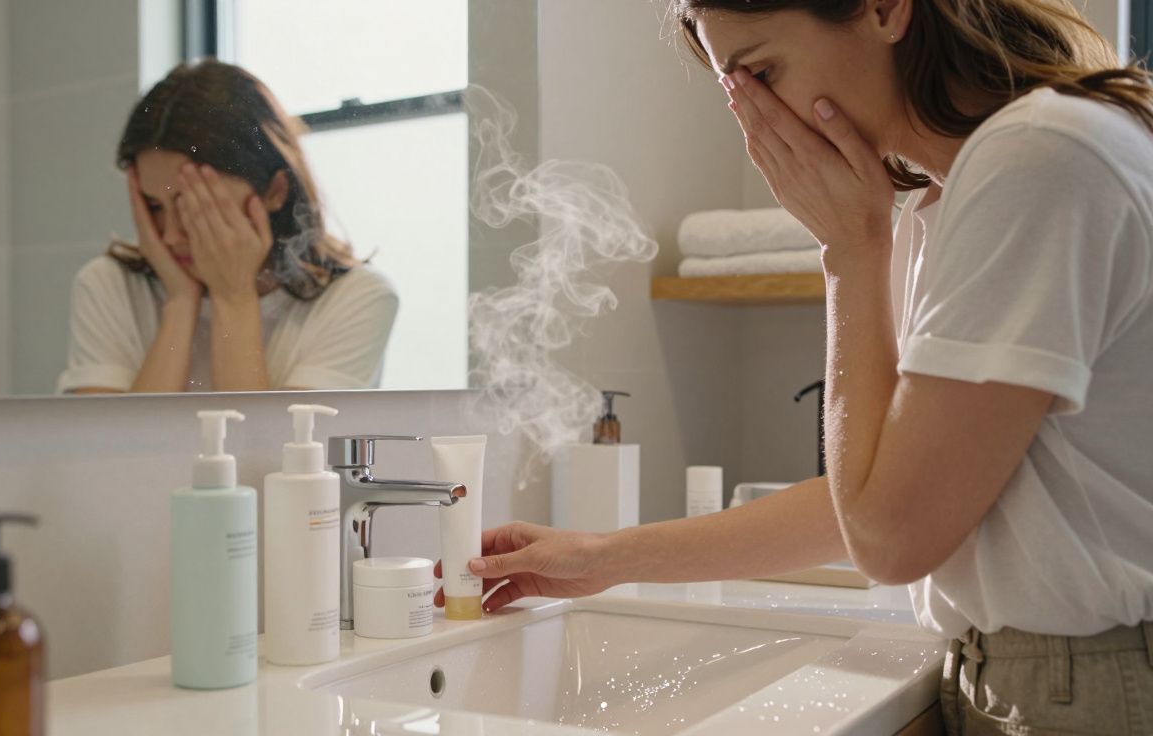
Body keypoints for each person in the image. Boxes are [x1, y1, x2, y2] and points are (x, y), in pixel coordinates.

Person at [436, 1, 1153, 733]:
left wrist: (849, 253)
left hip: (1094, 683)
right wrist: (599, 556)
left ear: (884, 9)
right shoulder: (951, 200)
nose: (756, 116)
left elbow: (890, 538)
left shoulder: (1038, 160)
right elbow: (876, 501)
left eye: (766, 71)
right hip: (1035, 670)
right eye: (734, 87)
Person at [58, 60, 398, 393]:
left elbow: (264, 448)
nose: (171, 236)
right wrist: (180, 304)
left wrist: (233, 297)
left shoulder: (356, 298)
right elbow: (111, 449)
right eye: (154, 206)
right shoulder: (110, 286)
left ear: (275, 190)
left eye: (196, 203)